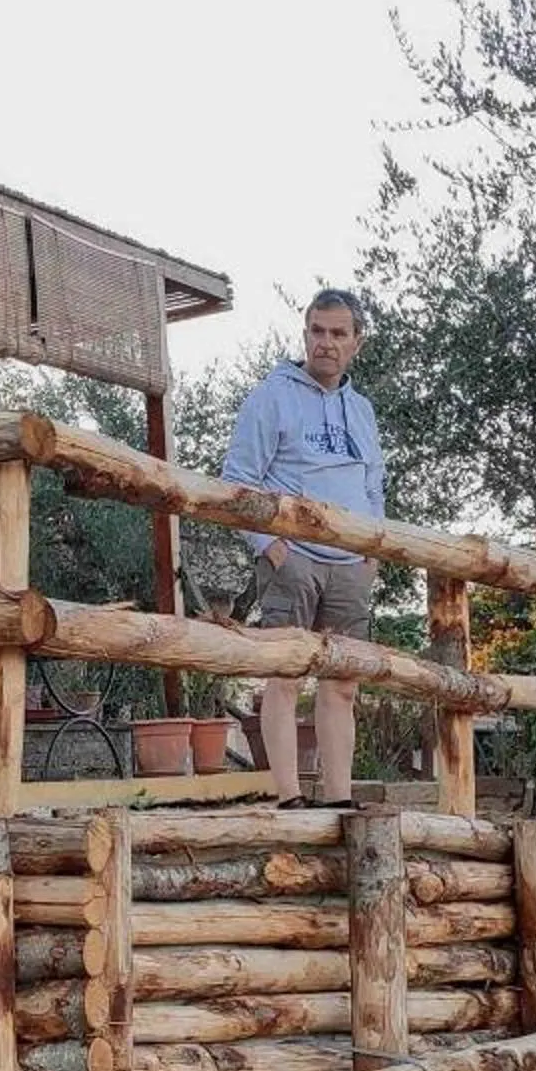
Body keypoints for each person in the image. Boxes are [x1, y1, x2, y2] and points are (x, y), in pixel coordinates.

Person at [221, 289, 386, 802]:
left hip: (349, 567)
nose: (326, 343)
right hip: (291, 560)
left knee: (342, 683)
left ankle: (338, 797)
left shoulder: (361, 410)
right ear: (305, 334)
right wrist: (270, 547)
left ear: (357, 341)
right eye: (318, 331)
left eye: (338, 334)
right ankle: (288, 797)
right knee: (285, 675)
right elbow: (237, 478)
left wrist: (372, 554)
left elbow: (374, 485)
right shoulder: (272, 396)